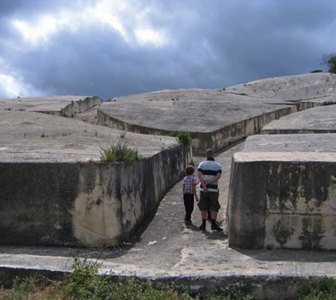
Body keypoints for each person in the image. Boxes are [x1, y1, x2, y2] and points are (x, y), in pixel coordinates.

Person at [197, 148, 223, 232]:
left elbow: (199, 175)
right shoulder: (218, 165)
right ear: (213, 155)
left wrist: (204, 184)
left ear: (206, 155)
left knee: (203, 206)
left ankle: (203, 224)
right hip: (213, 189)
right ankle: (213, 224)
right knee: (214, 206)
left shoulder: (201, 164)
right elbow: (218, 176)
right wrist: (209, 182)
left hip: (203, 189)